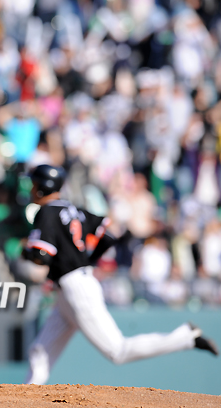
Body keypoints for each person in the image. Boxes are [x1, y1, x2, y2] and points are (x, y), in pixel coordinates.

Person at [20, 164, 218, 385]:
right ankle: (29, 393)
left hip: (75, 288)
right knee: (40, 351)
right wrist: (88, 259)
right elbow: (109, 235)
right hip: (72, 288)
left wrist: (25, 252)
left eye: (34, 184)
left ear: (43, 187)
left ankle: (185, 338)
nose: (31, 188)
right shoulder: (73, 209)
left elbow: (41, 255)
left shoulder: (47, 211)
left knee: (119, 351)